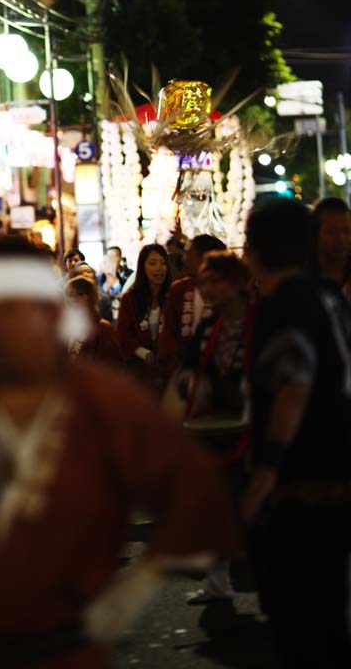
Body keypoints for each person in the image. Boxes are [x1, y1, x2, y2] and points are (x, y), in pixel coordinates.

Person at [0, 235, 239, 669]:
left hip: (69, 650)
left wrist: (134, 589)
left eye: (19, 308)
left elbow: (200, 502)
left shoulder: (105, 401)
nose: (3, 325)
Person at [244, 199, 351, 667]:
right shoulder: (326, 295)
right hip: (338, 476)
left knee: (302, 628)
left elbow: (294, 383)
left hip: (304, 488)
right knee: (329, 620)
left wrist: (263, 478)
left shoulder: (287, 303)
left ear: (256, 250)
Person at [174, 251, 253, 605]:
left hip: (256, 425)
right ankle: (219, 581)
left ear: (237, 281)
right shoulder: (209, 327)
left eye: (215, 281)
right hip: (216, 426)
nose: (207, 290)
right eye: (203, 283)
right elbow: (189, 371)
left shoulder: (262, 321)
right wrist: (191, 387)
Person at [158, 234, 226, 375]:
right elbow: (169, 331)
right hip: (181, 369)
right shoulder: (178, 289)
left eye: (190, 255)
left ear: (205, 258)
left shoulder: (226, 290)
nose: (184, 259)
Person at [116, 244, 172, 392]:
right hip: (139, 374)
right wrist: (142, 352)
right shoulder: (130, 298)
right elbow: (122, 334)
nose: (159, 268)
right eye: (152, 263)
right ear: (143, 267)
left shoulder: (172, 295)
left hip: (168, 373)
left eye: (163, 263)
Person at [64, 275, 126, 365]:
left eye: (80, 294)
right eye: (70, 295)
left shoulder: (104, 329)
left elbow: (115, 368)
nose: (74, 299)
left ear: (92, 297)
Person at [310, 196, 351, 297]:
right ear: (315, 235)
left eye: (346, 231)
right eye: (331, 232)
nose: (340, 239)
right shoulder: (304, 284)